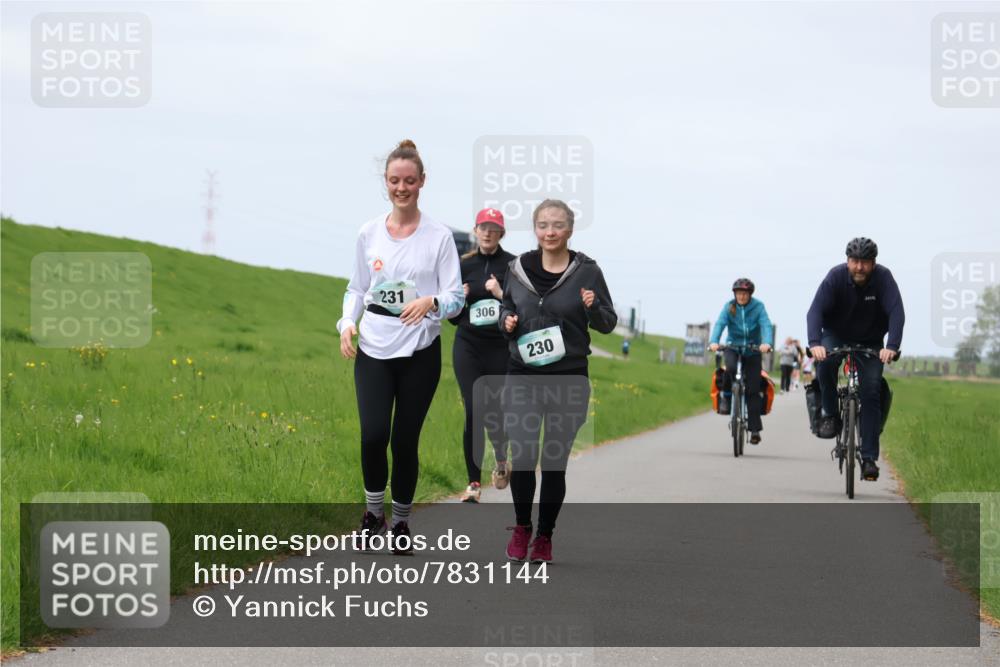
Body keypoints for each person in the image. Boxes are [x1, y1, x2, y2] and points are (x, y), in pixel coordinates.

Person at [338, 139, 464, 552]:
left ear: (422, 182)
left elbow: (456, 298)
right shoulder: (368, 233)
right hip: (374, 347)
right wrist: (346, 323)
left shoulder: (439, 237)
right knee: (373, 435)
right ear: (386, 183)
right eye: (394, 180)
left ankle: (402, 523)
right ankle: (374, 514)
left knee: (404, 440)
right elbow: (358, 287)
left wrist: (431, 303)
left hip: (420, 352)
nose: (402, 188)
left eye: (409, 180)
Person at [499, 199, 617, 563]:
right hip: (523, 374)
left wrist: (592, 305)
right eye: (543, 225)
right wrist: (506, 321)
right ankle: (522, 526)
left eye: (558, 225)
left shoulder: (587, 272)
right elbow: (507, 305)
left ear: (570, 229)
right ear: (535, 229)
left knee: (553, 461)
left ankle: (545, 535)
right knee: (522, 454)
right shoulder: (517, 268)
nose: (550, 232)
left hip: (568, 377)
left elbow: (608, 322)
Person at [806, 237, 904, 482]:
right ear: (847, 261)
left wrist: (891, 346)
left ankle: (869, 458)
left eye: (865, 262)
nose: (859, 267)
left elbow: (896, 313)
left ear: (873, 263)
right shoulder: (835, 277)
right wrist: (815, 343)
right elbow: (815, 311)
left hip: (870, 341)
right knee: (826, 364)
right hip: (835, 334)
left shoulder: (884, 279)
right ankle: (830, 414)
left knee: (870, 390)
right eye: (854, 261)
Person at [448, 207, 516, 503]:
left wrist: (501, 293)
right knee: (475, 408)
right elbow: (451, 317)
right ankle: (473, 483)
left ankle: (501, 459)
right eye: (482, 227)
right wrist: (460, 300)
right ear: (475, 231)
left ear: (502, 233)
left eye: (494, 228)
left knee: (495, 412)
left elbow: (522, 310)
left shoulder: (513, 265)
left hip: (500, 346)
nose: (487, 232)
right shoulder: (462, 265)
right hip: (468, 344)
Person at [708, 278, 774, 444]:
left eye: (744, 293)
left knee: (753, 389)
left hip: (753, 351)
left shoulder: (758, 307)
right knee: (729, 368)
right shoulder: (729, 306)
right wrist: (714, 341)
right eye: (739, 293)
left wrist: (766, 343)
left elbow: (766, 325)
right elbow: (720, 324)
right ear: (735, 294)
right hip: (733, 347)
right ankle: (727, 397)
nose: (742, 297)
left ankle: (754, 430)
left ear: (750, 294)